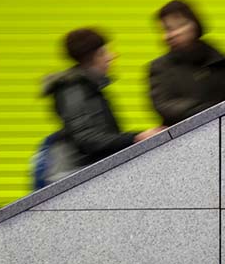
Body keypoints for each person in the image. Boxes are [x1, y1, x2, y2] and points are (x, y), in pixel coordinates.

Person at [41, 28, 164, 182]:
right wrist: (135, 137)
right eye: (105, 52)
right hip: (77, 175)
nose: (112, 56)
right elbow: (86, 137)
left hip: (86, 173)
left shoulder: (88, 88)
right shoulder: (74, 90)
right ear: (93, 57)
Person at [148, 0, 225, 125]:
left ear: (195, 25)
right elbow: (165, 105)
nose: (171, 35)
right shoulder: (161, 68)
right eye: (167, 29)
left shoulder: (219, 61)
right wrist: (207, 109)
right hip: (187, 137)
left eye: (179, 26)